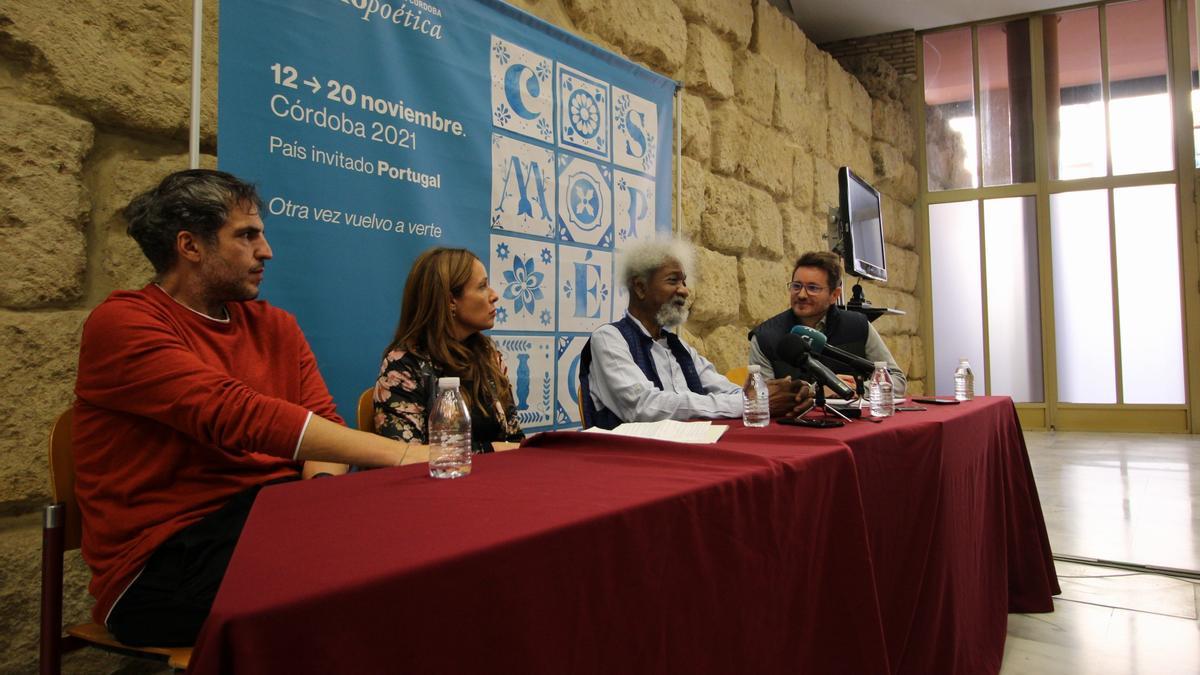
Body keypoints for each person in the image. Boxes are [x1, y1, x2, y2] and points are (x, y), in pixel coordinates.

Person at [73, 169, 411, 647]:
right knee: (365, 581)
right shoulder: (123, 323)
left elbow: (324, 427)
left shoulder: (275, 325)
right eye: (247, 235)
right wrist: (401, 454)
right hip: (160, 566)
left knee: (406, 547)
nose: (266, 251)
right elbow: (237, 415)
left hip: (268, 520)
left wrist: (318, 493)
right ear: (190, 246)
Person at [581, 239, 812, 429]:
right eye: (673, 281)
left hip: (684, 455)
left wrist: (778, 394)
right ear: (640, 287)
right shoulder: (609, 339)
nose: (684, 290)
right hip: (629, 464)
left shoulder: (677, 347)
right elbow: (644, 407)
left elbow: (727, 389)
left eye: (684, 281)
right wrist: (748, 403)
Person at [374, 247, 523, 453]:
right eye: (482, 287)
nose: (494, 295)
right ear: (450, 300)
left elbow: (514, 439)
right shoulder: (403, 367)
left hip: (495, 481)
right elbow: (406, 456)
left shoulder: (489, 357)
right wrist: (492, 449)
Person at [748, 251, 907, 395]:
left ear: (834, 295)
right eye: (796, 286)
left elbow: (897, 380)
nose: (802, 295)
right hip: (795, 423)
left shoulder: (858, 326)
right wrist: (817, 392)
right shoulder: (764, 337)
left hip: (853, 422)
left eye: (813, 288)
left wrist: (854, 389)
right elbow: (764, 397)